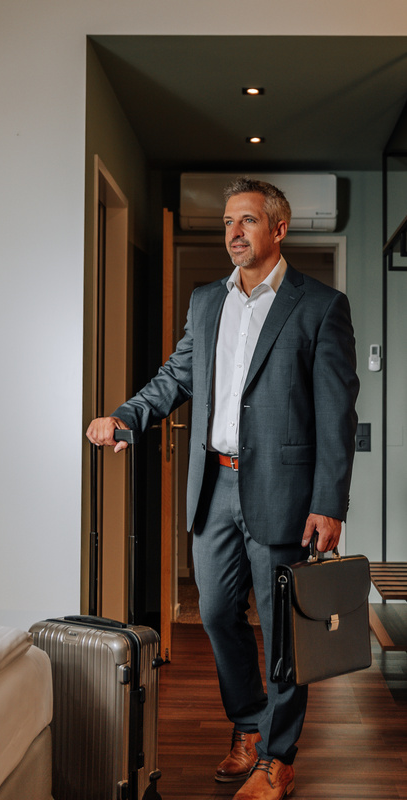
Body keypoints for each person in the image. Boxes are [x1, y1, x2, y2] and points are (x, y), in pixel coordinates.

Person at [86, 177, 359, 800]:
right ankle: (249, 727)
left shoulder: (319, 306)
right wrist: (129, 416)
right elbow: (177, 374)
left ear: (278, 229)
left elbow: (335, 415)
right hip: (214, 489)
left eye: (247, 221)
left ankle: (279, 758)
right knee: (213, 613)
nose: (233, 232)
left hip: (286, 495)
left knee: (286, 628)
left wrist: (328, 502)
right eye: (228, 222)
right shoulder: (207, 301)